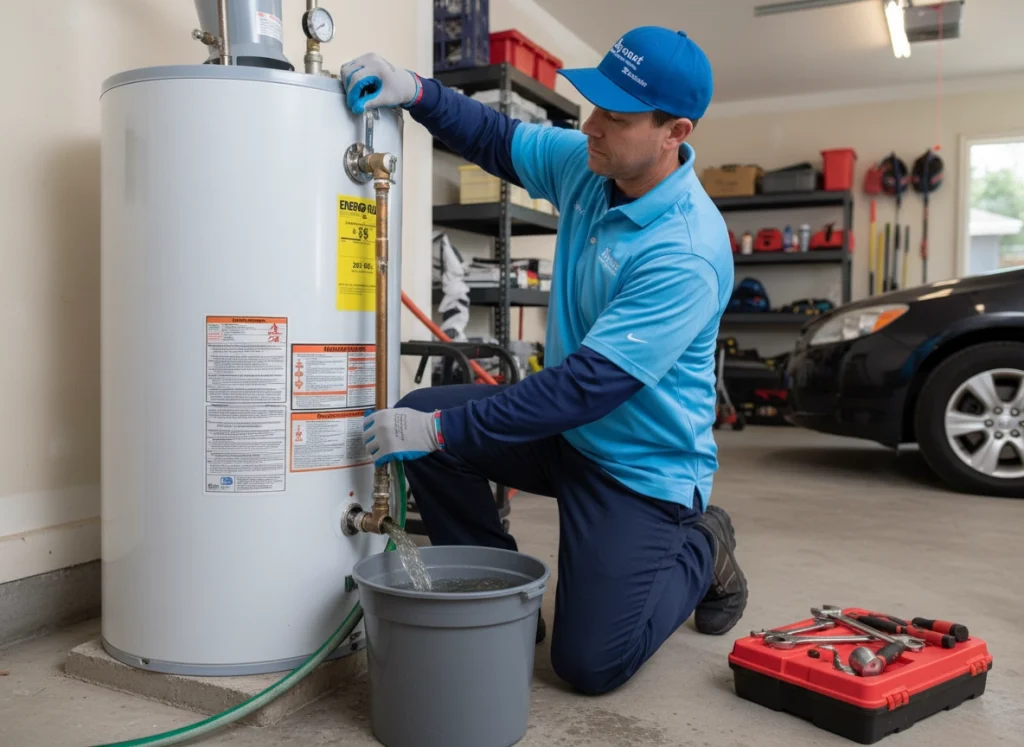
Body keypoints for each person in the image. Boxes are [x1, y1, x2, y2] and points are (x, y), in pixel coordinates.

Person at [342, 26, 747, 696]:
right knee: (421, 419)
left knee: (590, 664)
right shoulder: (592, 166)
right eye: (595, 107)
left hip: (639, 467)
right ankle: (499, 592)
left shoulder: (687, 250)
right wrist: (414, 90)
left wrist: (443, 430)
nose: (591, 127)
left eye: (616, 117)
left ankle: (706, 546)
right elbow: (497, 138)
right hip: (566, 434)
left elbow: (588, 387)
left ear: (674, 132)